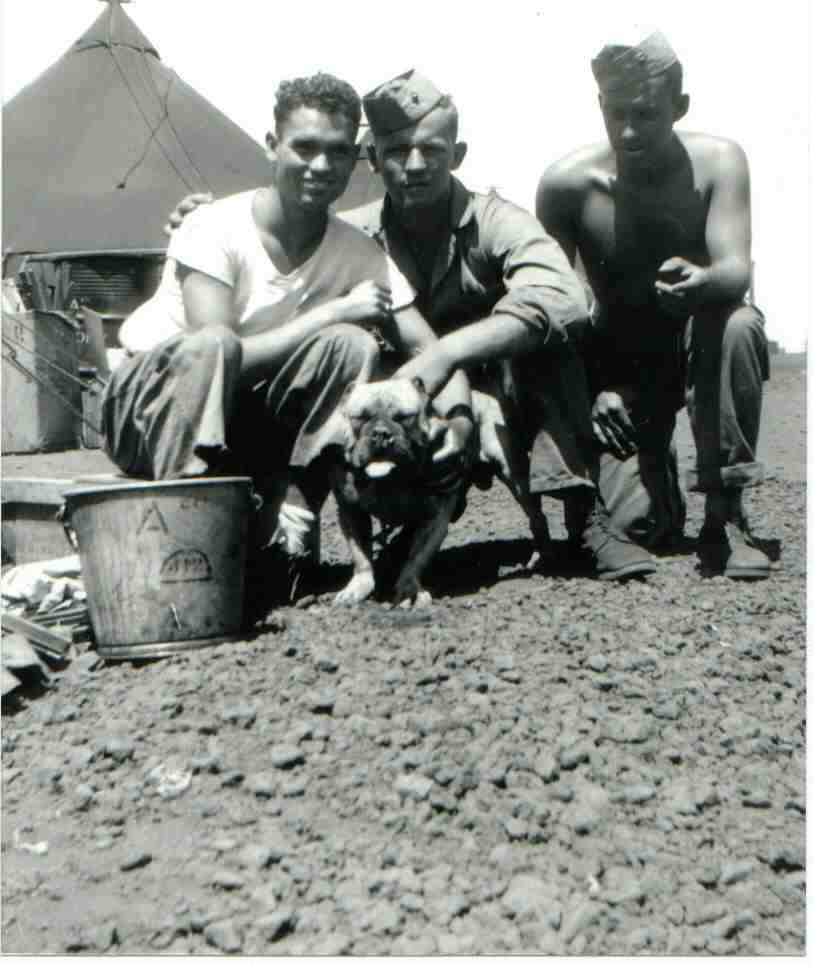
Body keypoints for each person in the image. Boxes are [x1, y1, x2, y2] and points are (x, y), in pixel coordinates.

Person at [102, 72, 471, 599]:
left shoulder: (358, 253)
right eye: (305, 147)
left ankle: (290, 524)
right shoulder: (213, 226)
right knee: (226, 344)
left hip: (242, 423)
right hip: (151, 411)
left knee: (353, 344)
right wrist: (330, 312)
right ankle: (194, 533)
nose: (321, 166)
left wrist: (457, 423)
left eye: (338, 152)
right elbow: (216, 354)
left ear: (355, 158)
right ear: (273, 145)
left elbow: (430, 349)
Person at [351, 69, 656, 580]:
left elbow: (564, 297)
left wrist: (450, 353)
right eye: (399, 151)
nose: (416, 165)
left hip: (513, 403)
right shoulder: (354, 235)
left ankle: (585, 519)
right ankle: (367, 525)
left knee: (544, 339)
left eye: (433, 150)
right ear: (374, 158)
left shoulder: (495, 219)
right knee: (346, 347)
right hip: (413, 413)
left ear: (459, 155)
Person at [536, 31, 772, 578]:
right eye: (616, 113)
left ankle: (725, 517)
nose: (628, 130)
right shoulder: (567, 185)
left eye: (646, 114)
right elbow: (551, 305)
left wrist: (705, 279)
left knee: (736, 324)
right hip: (621, 377)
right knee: (638, 527)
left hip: (701, 348)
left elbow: (735, 268)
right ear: (600, 106)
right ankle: (653, 467)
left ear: (679, 107)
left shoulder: (719, 162)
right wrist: (593, 391)